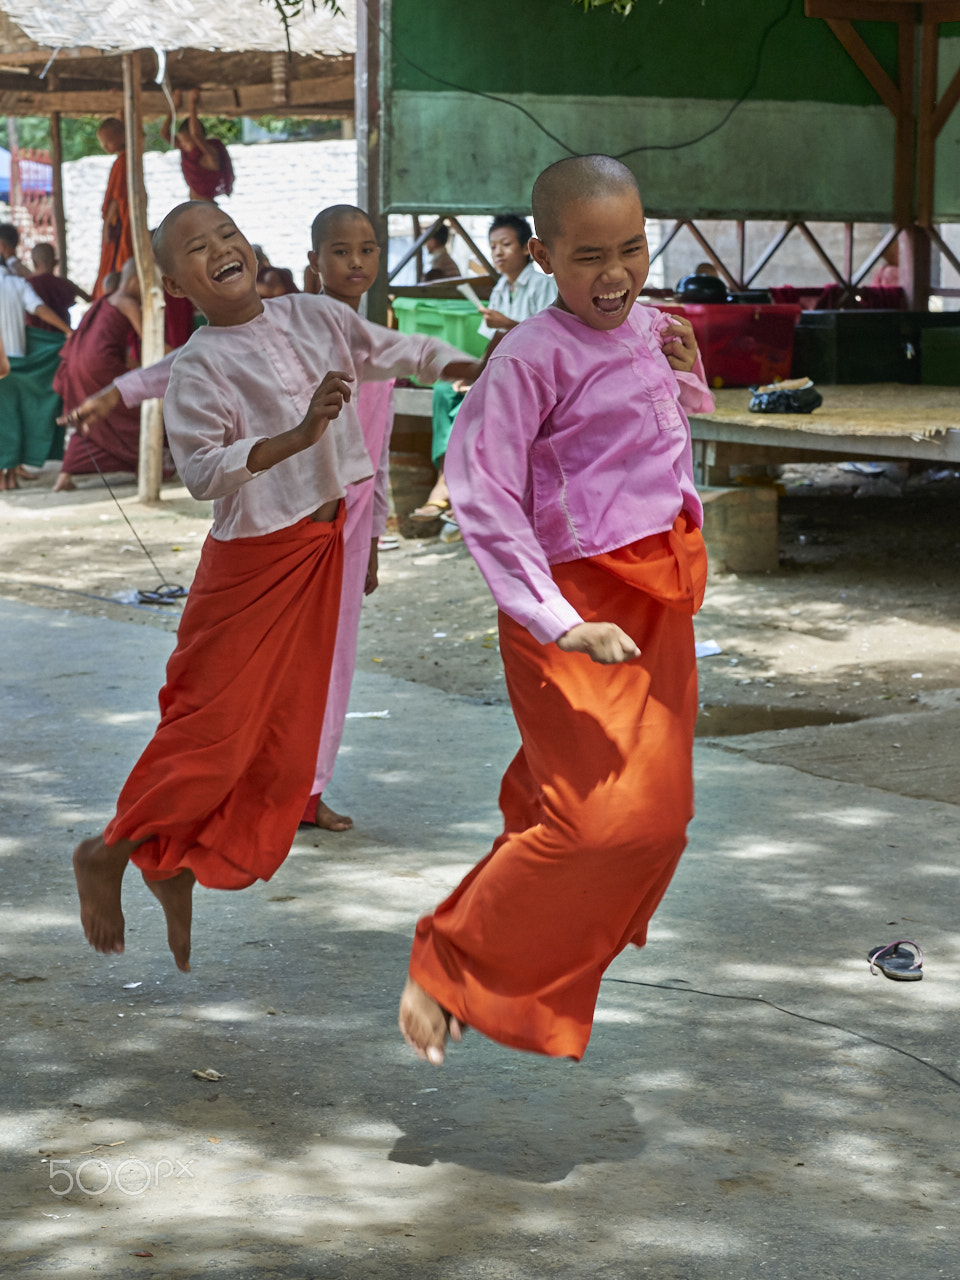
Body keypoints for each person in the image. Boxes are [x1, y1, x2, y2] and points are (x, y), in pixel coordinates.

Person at [70, 200, 479, 973]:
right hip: (252, 562)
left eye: (227, 234)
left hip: (322, 545)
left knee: (280, 733)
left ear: (252, 245)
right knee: (210, 729)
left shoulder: (314, 317)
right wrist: (295, 438)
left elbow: (392, 349)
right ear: (174, 282)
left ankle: (174, 864)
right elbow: (199, 471)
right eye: (196, 248)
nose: (220, 249)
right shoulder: (200, 363)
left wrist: (468, 363)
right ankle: (110, 850)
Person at [398, 154, 714, 1066]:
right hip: (572, 609)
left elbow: (665, 437)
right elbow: (480, 486)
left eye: (633, 249)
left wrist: (689, 370)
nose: (614, 276)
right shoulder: (532, 353)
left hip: (658, 594)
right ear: (541, 255)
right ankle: (452, 956)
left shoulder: (654, 326)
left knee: (657, 814)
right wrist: (551, 615)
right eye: (587, 258)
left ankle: (509, 944)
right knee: (606, 821)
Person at [71, 204, 400, 835]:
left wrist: (374, 535)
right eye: (339, 252)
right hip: (267, 535)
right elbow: (190, 391)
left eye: (367, 250)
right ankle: (159, 825)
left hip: (343, 528)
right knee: (221, 696)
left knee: (326, 665)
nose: (355, 263)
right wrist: (119, 392)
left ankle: (302, 787)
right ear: (313, 264)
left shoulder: (370, 337)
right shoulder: (283, 326)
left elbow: (377, 450)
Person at [412, 214, 557, 523]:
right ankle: (447, 476)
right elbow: (493, 343)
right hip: (502, 369)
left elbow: (548, 339)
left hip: (532, 375)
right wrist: (477, 374)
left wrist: (505, 325)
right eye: (493, 247)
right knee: (444, 392)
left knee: (478, 404)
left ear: (527, 249)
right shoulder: (501, 287)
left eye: (506, 245)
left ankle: (465, 489)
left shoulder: (543, 286)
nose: (498, 253)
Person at [53, 258, 143, 491]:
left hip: (78, 362)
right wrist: (178, 354)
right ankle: (145, 465)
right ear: (135, 281)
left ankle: (65, 476)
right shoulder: (126, 301)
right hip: (101, 365)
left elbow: (114, 347)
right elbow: (149, 336)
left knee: (87, 414)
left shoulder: (104, 301)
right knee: (136, 410)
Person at [0, 240, 72, 489]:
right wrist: (68, 332)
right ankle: (10, 473)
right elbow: (39, 309)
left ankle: (4, 476)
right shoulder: (17, 284)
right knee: (14, 417)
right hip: (15, 364)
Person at [161, 89, 235, 202]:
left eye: (186, 142)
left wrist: (192, 103)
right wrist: (175, 107)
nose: (183, 146)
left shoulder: (211, 154)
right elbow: (164, 134)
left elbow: (196, 134)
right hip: (193, 205)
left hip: (207, 207)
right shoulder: (188, 154)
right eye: (182, 143)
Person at [93, 118, 134, 299]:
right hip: (121, 222)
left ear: (121, 136)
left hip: (119, 222)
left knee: (120, 258)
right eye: (103, 143)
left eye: (107, 141)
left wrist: (108, 224)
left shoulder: (124, 161)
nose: (105, 146)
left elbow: (117, 199)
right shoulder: (123, 159)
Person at [27, 243, 92, 332]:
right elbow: (89, 299)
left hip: (37, 340)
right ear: (55, 262)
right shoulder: (65, 284)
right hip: (63, 336)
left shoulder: (27, 285)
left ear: (34, 263)